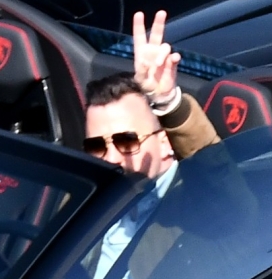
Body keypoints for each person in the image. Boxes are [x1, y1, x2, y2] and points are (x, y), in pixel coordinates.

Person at [82, 10, 216, 177]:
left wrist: (166, 101)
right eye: (96, 146)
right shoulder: (89, 198)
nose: (111, 159)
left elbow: (219, 178)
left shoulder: (197, 195)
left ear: (165, 142)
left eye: (127, 141)